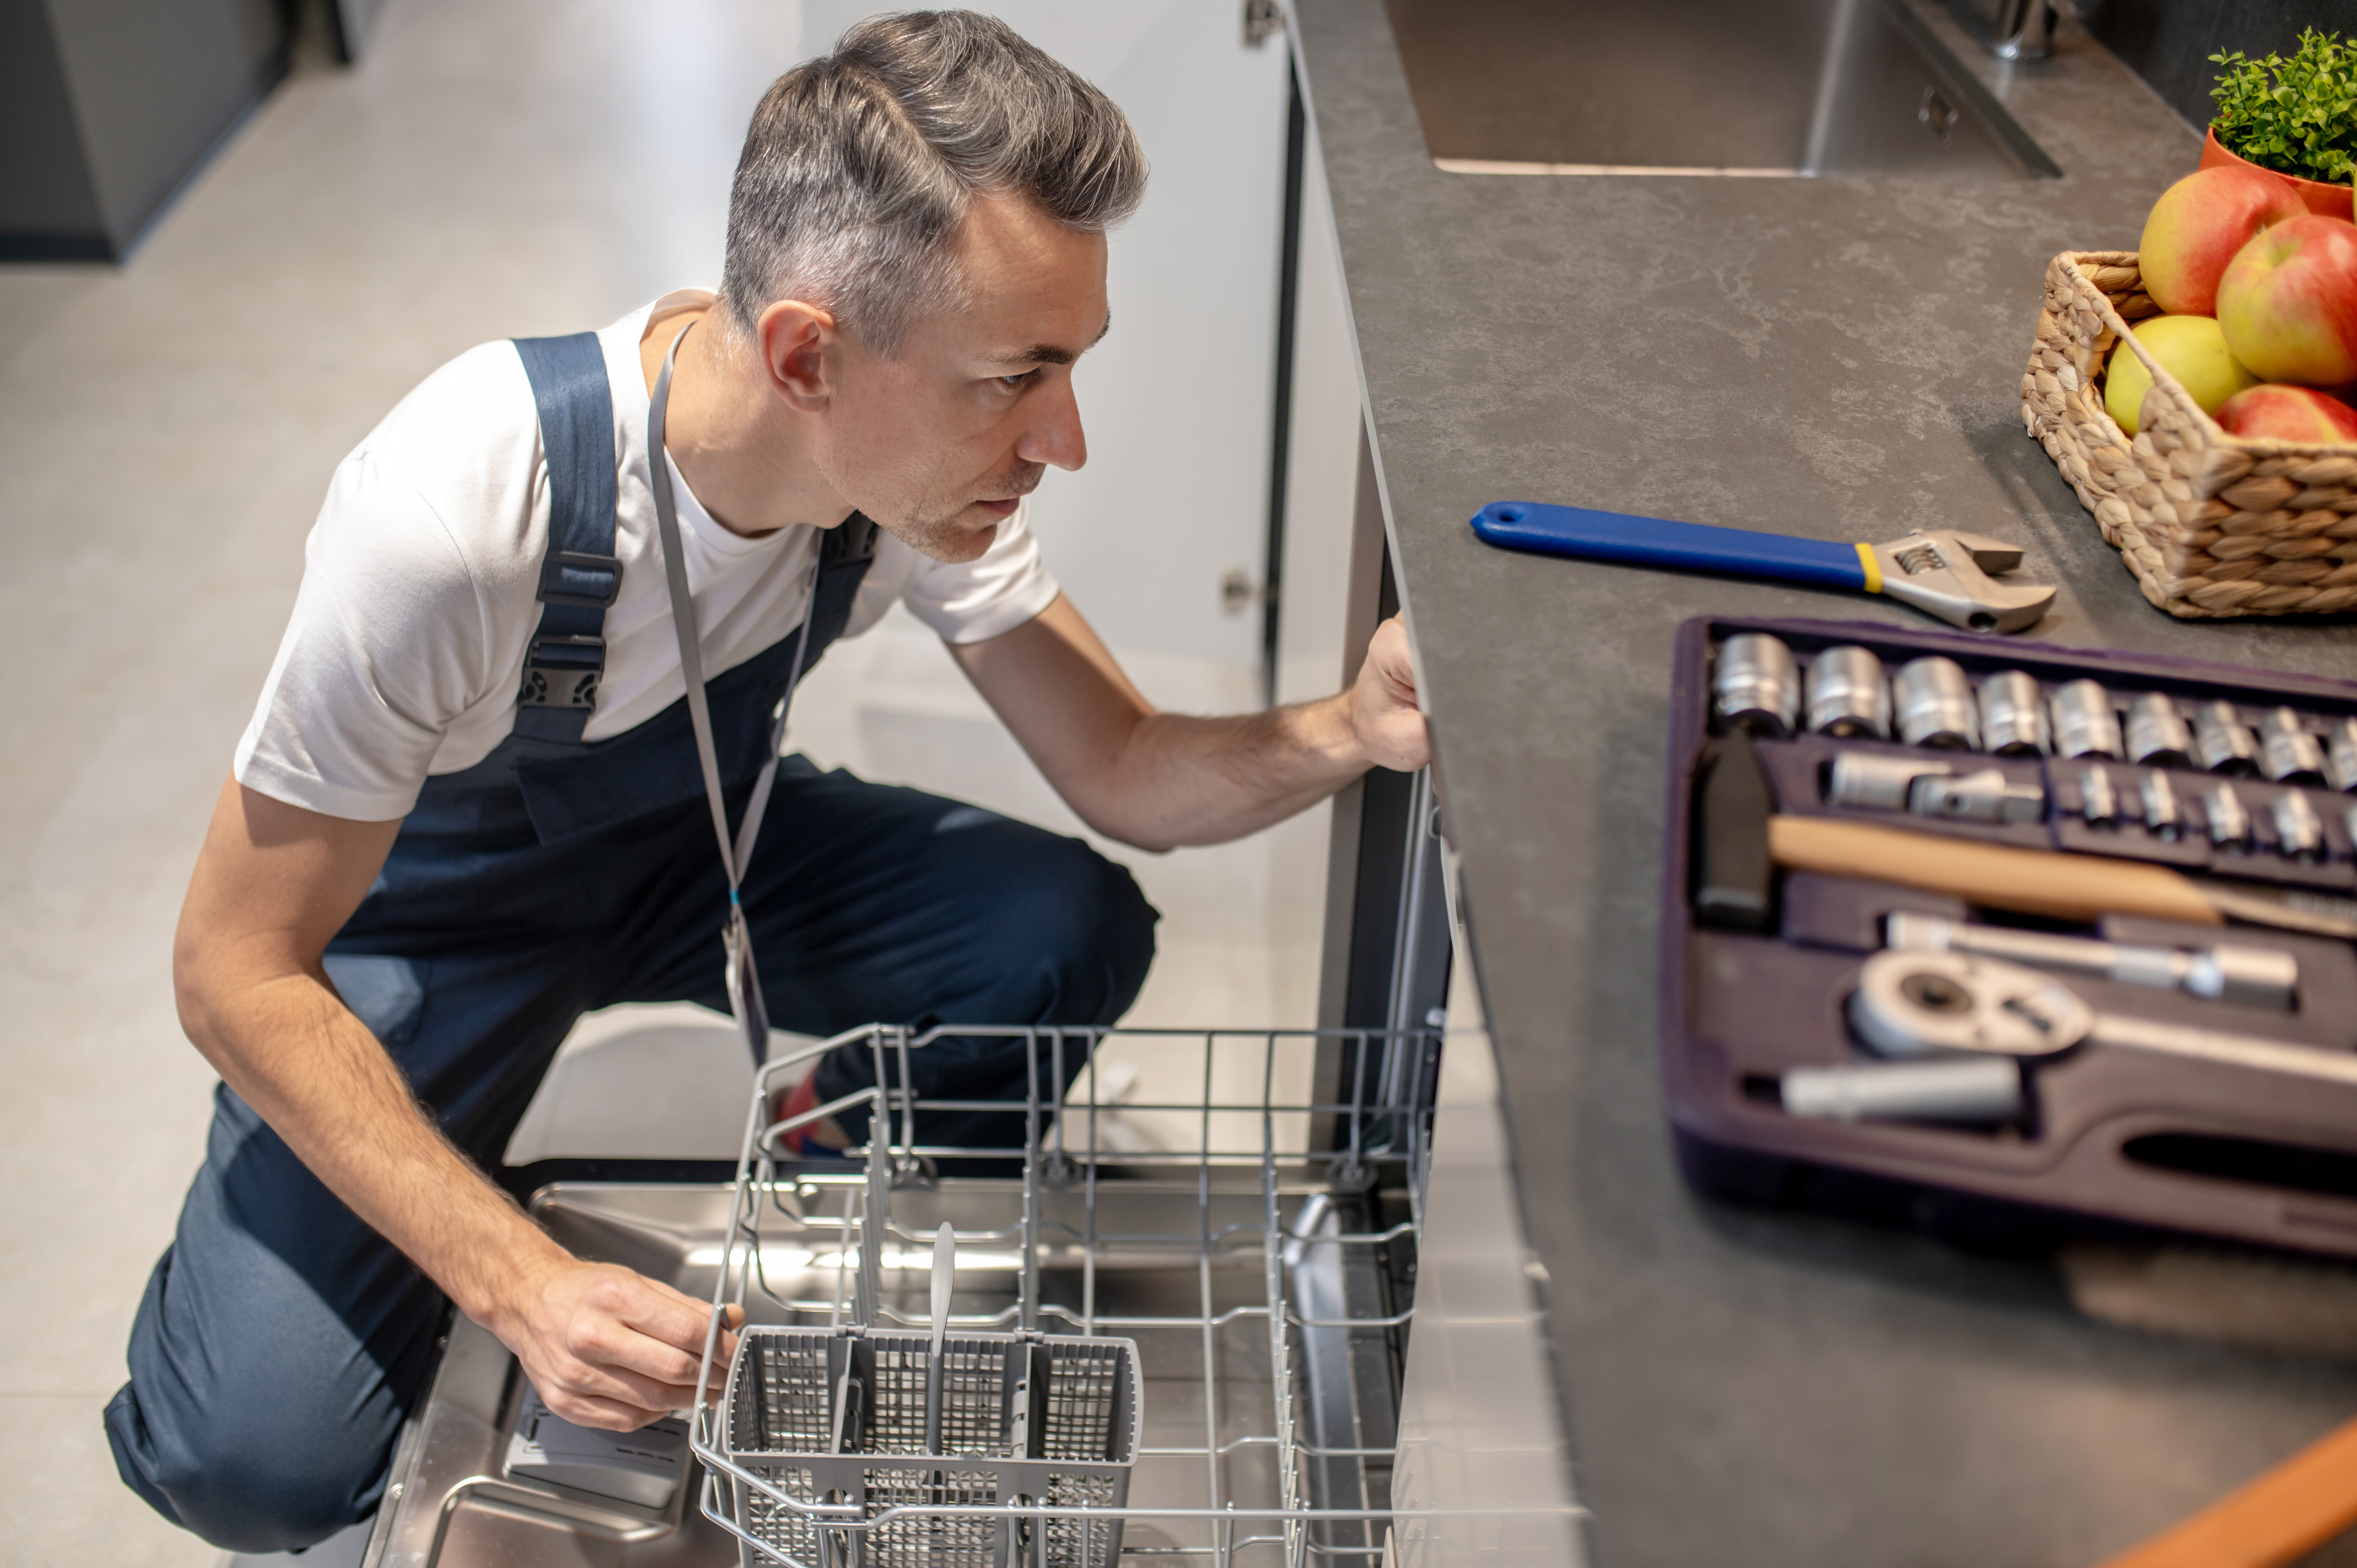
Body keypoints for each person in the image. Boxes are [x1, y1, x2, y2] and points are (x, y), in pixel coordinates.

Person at [104, 10, 1429, 1554]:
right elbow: (232, 965)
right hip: (437, 921)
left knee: (1059, 929)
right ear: (809, 353)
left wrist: (1351, 724)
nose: (1060, 439)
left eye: (1070, 369)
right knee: (247, 1457)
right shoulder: (461, 513)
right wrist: (516, 1278)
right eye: (1016, 378)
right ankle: (440, 1225)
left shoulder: (912, 488)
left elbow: (1126, 768)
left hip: (699, 852)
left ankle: (816, 1143)